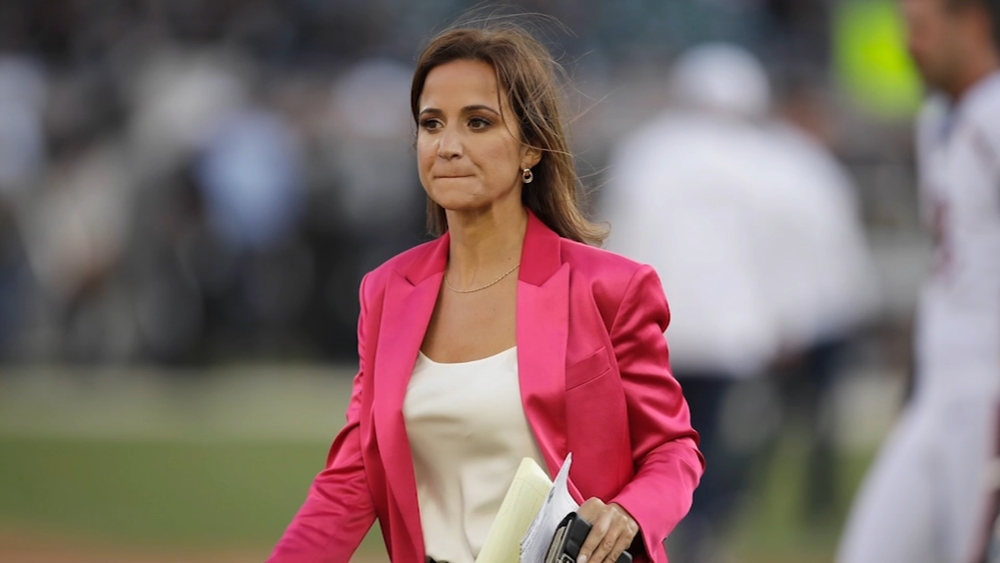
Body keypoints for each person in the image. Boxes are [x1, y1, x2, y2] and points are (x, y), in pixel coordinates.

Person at [267, 21, 704, 563]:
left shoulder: (611, 288)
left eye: (478, 122)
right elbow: (352, 475)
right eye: (432, 124)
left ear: (531, 148)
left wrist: (630, 512)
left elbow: (672, 449)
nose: (448, 146)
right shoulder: (385, 292)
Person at [604, 43, 878, 562]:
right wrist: (787, 321)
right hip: (730, 333)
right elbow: (780, 255)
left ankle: (657, 524)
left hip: (655, 329)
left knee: (652, 435)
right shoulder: (769, 164)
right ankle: (704, 524)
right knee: (710, 438)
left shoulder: (646, 154)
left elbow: (618, 239)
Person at [837, 1, 1000, 562]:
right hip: (941, 385)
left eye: (922, 28)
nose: (910, 45)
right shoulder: (940, 117)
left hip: (988, 386)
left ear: (971, 24)